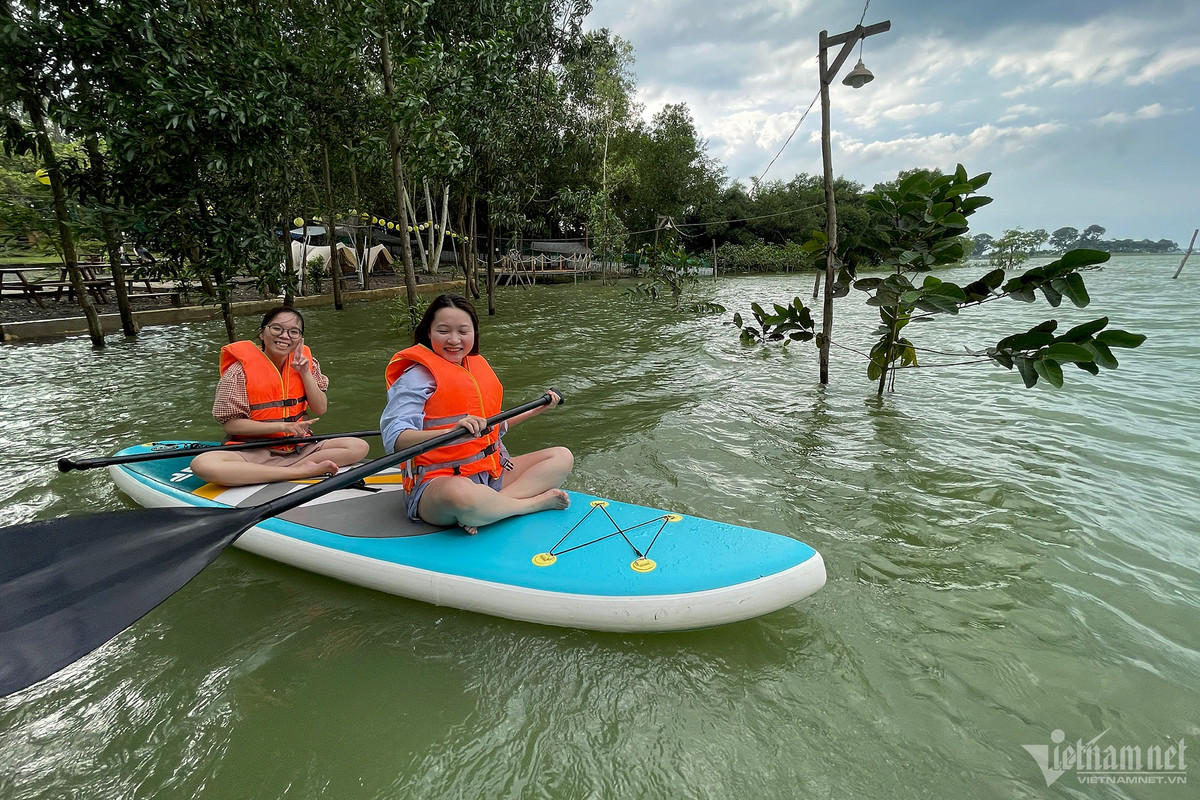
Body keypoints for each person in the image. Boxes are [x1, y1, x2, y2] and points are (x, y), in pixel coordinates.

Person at [381, 294, 572, 534]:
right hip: (438, 485)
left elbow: (492, 427)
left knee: (561, 457)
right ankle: (527, 505)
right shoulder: (415, 378)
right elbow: (395, 439)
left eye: (463, 331)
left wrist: (535, 410)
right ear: (428, 333)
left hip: (491, 474)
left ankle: (489, 509)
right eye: (443, 331)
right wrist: (450, 432)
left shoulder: (476, 366)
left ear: (474, 333)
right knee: (462, 495)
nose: (454, 340)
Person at [190, 307, 370, 486]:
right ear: (262, 333)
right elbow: (231, 424)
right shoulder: (238, 372)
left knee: (358, 446)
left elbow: (320, 408)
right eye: (277, 329)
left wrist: (305, 373)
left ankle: (280, 471)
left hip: (299, 447)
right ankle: (298, 471)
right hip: (253, 451)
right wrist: (284, 426)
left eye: (293, 332)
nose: (285, 336)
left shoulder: (307, 364)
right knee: (203, 465)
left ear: (300, 339)